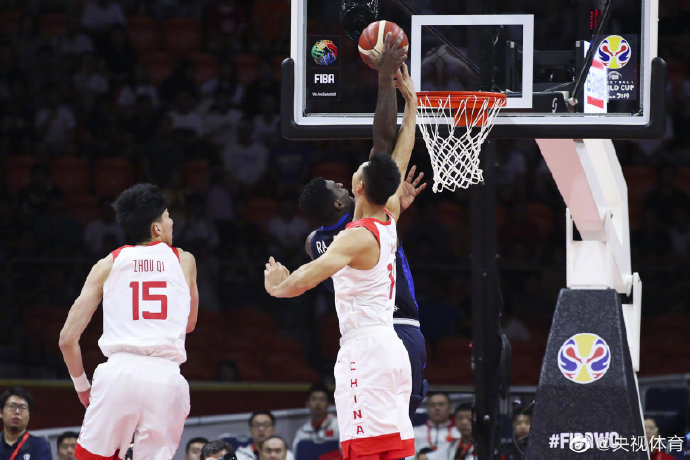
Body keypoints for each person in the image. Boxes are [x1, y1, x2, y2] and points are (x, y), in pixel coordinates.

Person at [264, 57, 418, 460]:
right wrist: (413, 106)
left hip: (365, 352)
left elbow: (307, 278)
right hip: (390, 350)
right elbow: (400, 155)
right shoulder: (389, 217)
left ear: (360, 187)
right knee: (393, 453)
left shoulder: (354, 238)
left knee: (362, 453)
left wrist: (277, 287)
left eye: (356, 173)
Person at [298, 32, 428, 422]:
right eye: (340, 186)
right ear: (342, 202)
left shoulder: (314, 243)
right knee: (400, 425)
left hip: (359, 339)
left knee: (370, 427)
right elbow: (386, 144)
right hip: (398, 327)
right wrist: (390, 84)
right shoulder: (372, 220)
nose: (347, 182)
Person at [58, 183, 199, 459]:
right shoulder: (185, 261)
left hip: (119, 374)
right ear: (157, 228)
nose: (172, 222)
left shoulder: (107, 264)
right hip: (166, 377)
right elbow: (189, 324)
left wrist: (83, 388)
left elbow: (66, 340)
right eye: (168, 216)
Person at [0, 387, 51, 460]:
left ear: (29, 415)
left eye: (22, 407)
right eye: (12, 406)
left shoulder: (39, 445)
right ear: (1, 412)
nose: (17, 412)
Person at [292, 383, 340, 460]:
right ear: (307, 404)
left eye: (322, 399)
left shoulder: (338, 426)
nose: (318, 403)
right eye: (314, 399)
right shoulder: (302, 432)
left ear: (328, 404)